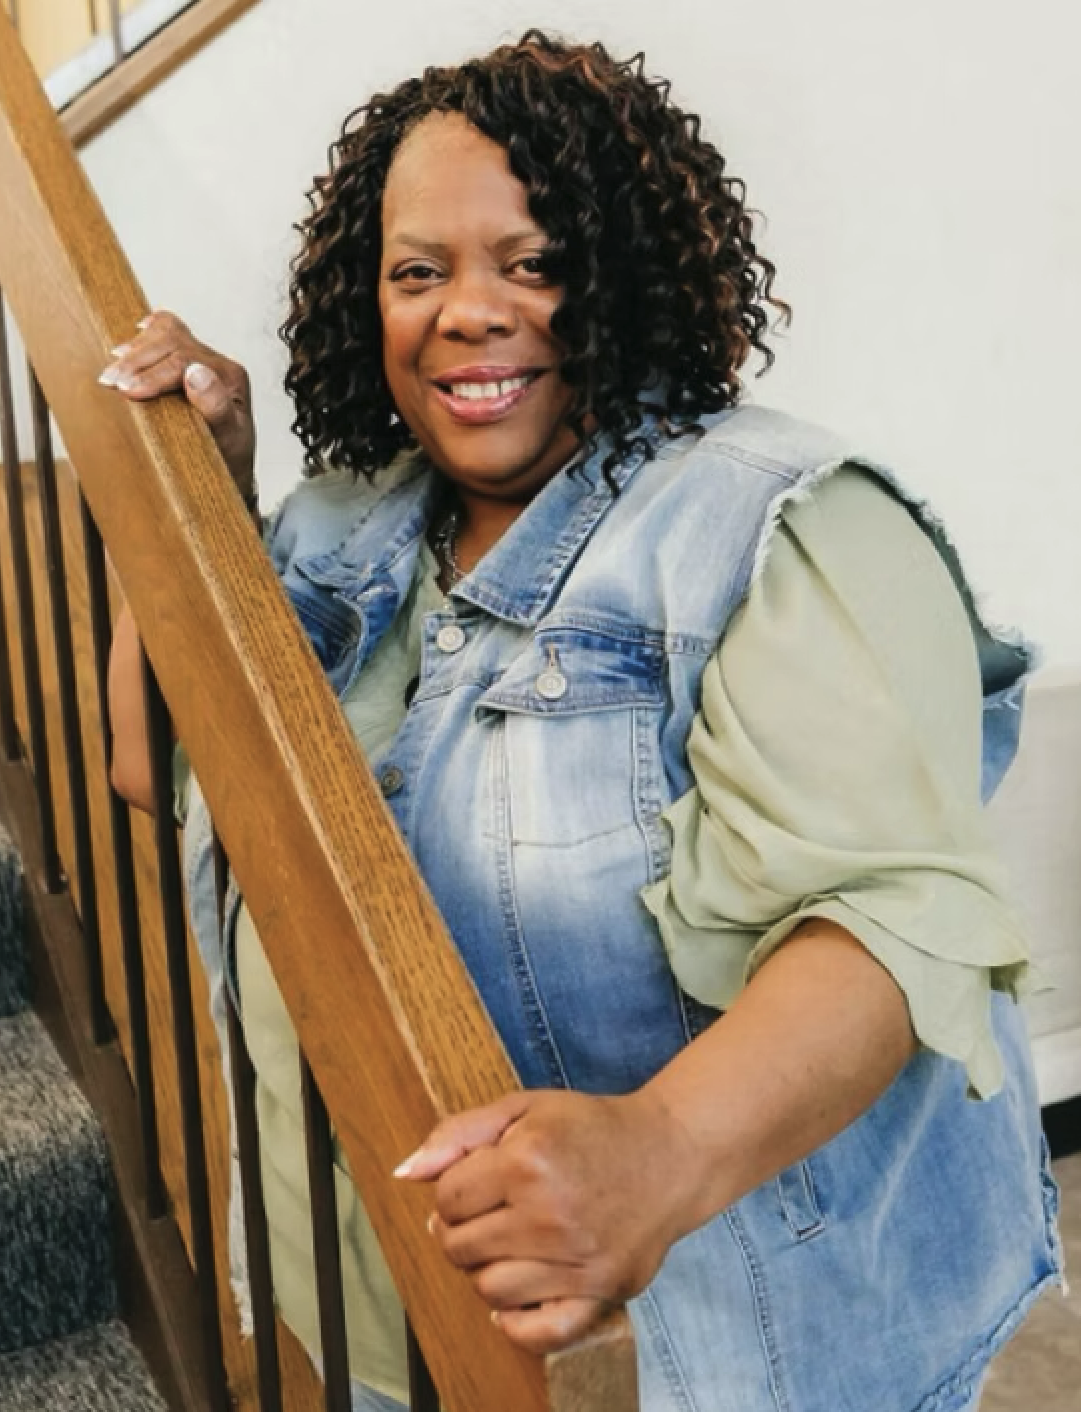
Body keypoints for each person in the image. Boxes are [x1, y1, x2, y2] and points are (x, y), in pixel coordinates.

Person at [104, 32, 1061, 1412]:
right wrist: (193, 501)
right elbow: (154, 764)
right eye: (418, 272)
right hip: (382, 1319)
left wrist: (659, 1147)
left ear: (622, 277)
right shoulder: (334, 528)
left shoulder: (778, 528)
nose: (469, 313)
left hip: (723, 1354)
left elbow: (895, 916)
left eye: (533, 262)